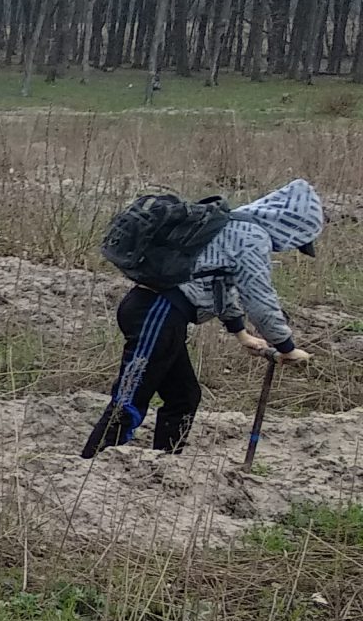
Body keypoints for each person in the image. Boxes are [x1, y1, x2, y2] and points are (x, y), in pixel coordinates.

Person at [83, 179, 323, 457]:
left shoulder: (232, 224)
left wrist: (240, 333)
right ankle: (90, 468)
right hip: (157, 313)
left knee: (184, 397)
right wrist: (287, 347)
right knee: (130, 398)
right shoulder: (252, 237)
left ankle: (162, 467)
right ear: (292, 225)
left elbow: (218, 285)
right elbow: (261, 302)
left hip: (159, 314)